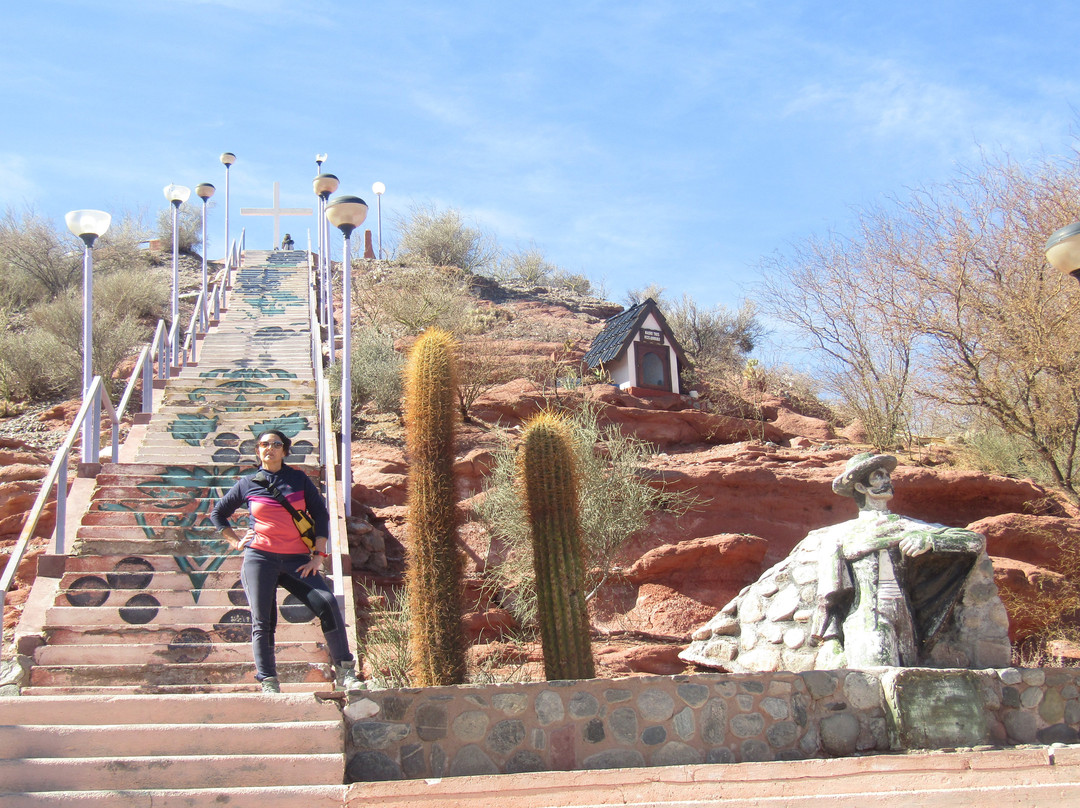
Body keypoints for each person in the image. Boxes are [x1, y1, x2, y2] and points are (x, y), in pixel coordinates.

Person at [210, 429, 362, 693]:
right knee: (262, 620)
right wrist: (235, 541)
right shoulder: (247, 483)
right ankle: (268, 681)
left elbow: (321, 516)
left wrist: (319, 555)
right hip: (260, 559)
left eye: (276, 444)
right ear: (258, 450)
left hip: (296, 560)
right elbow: (218, 514)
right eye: (264, 444)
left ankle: (346, 673)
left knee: (326, 603)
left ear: (285, 450)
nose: (269, 448)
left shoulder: (298, 480)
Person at [813, 453, 984, 667]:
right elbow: (830, 596)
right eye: (878, 476)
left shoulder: (908, 526)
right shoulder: (841, 535)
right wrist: (831, 641)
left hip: (905, 619)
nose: (887, 480)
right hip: (866, 618)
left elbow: (975, 541)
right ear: (860, 487)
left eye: (887, 475)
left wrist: (929, 540)